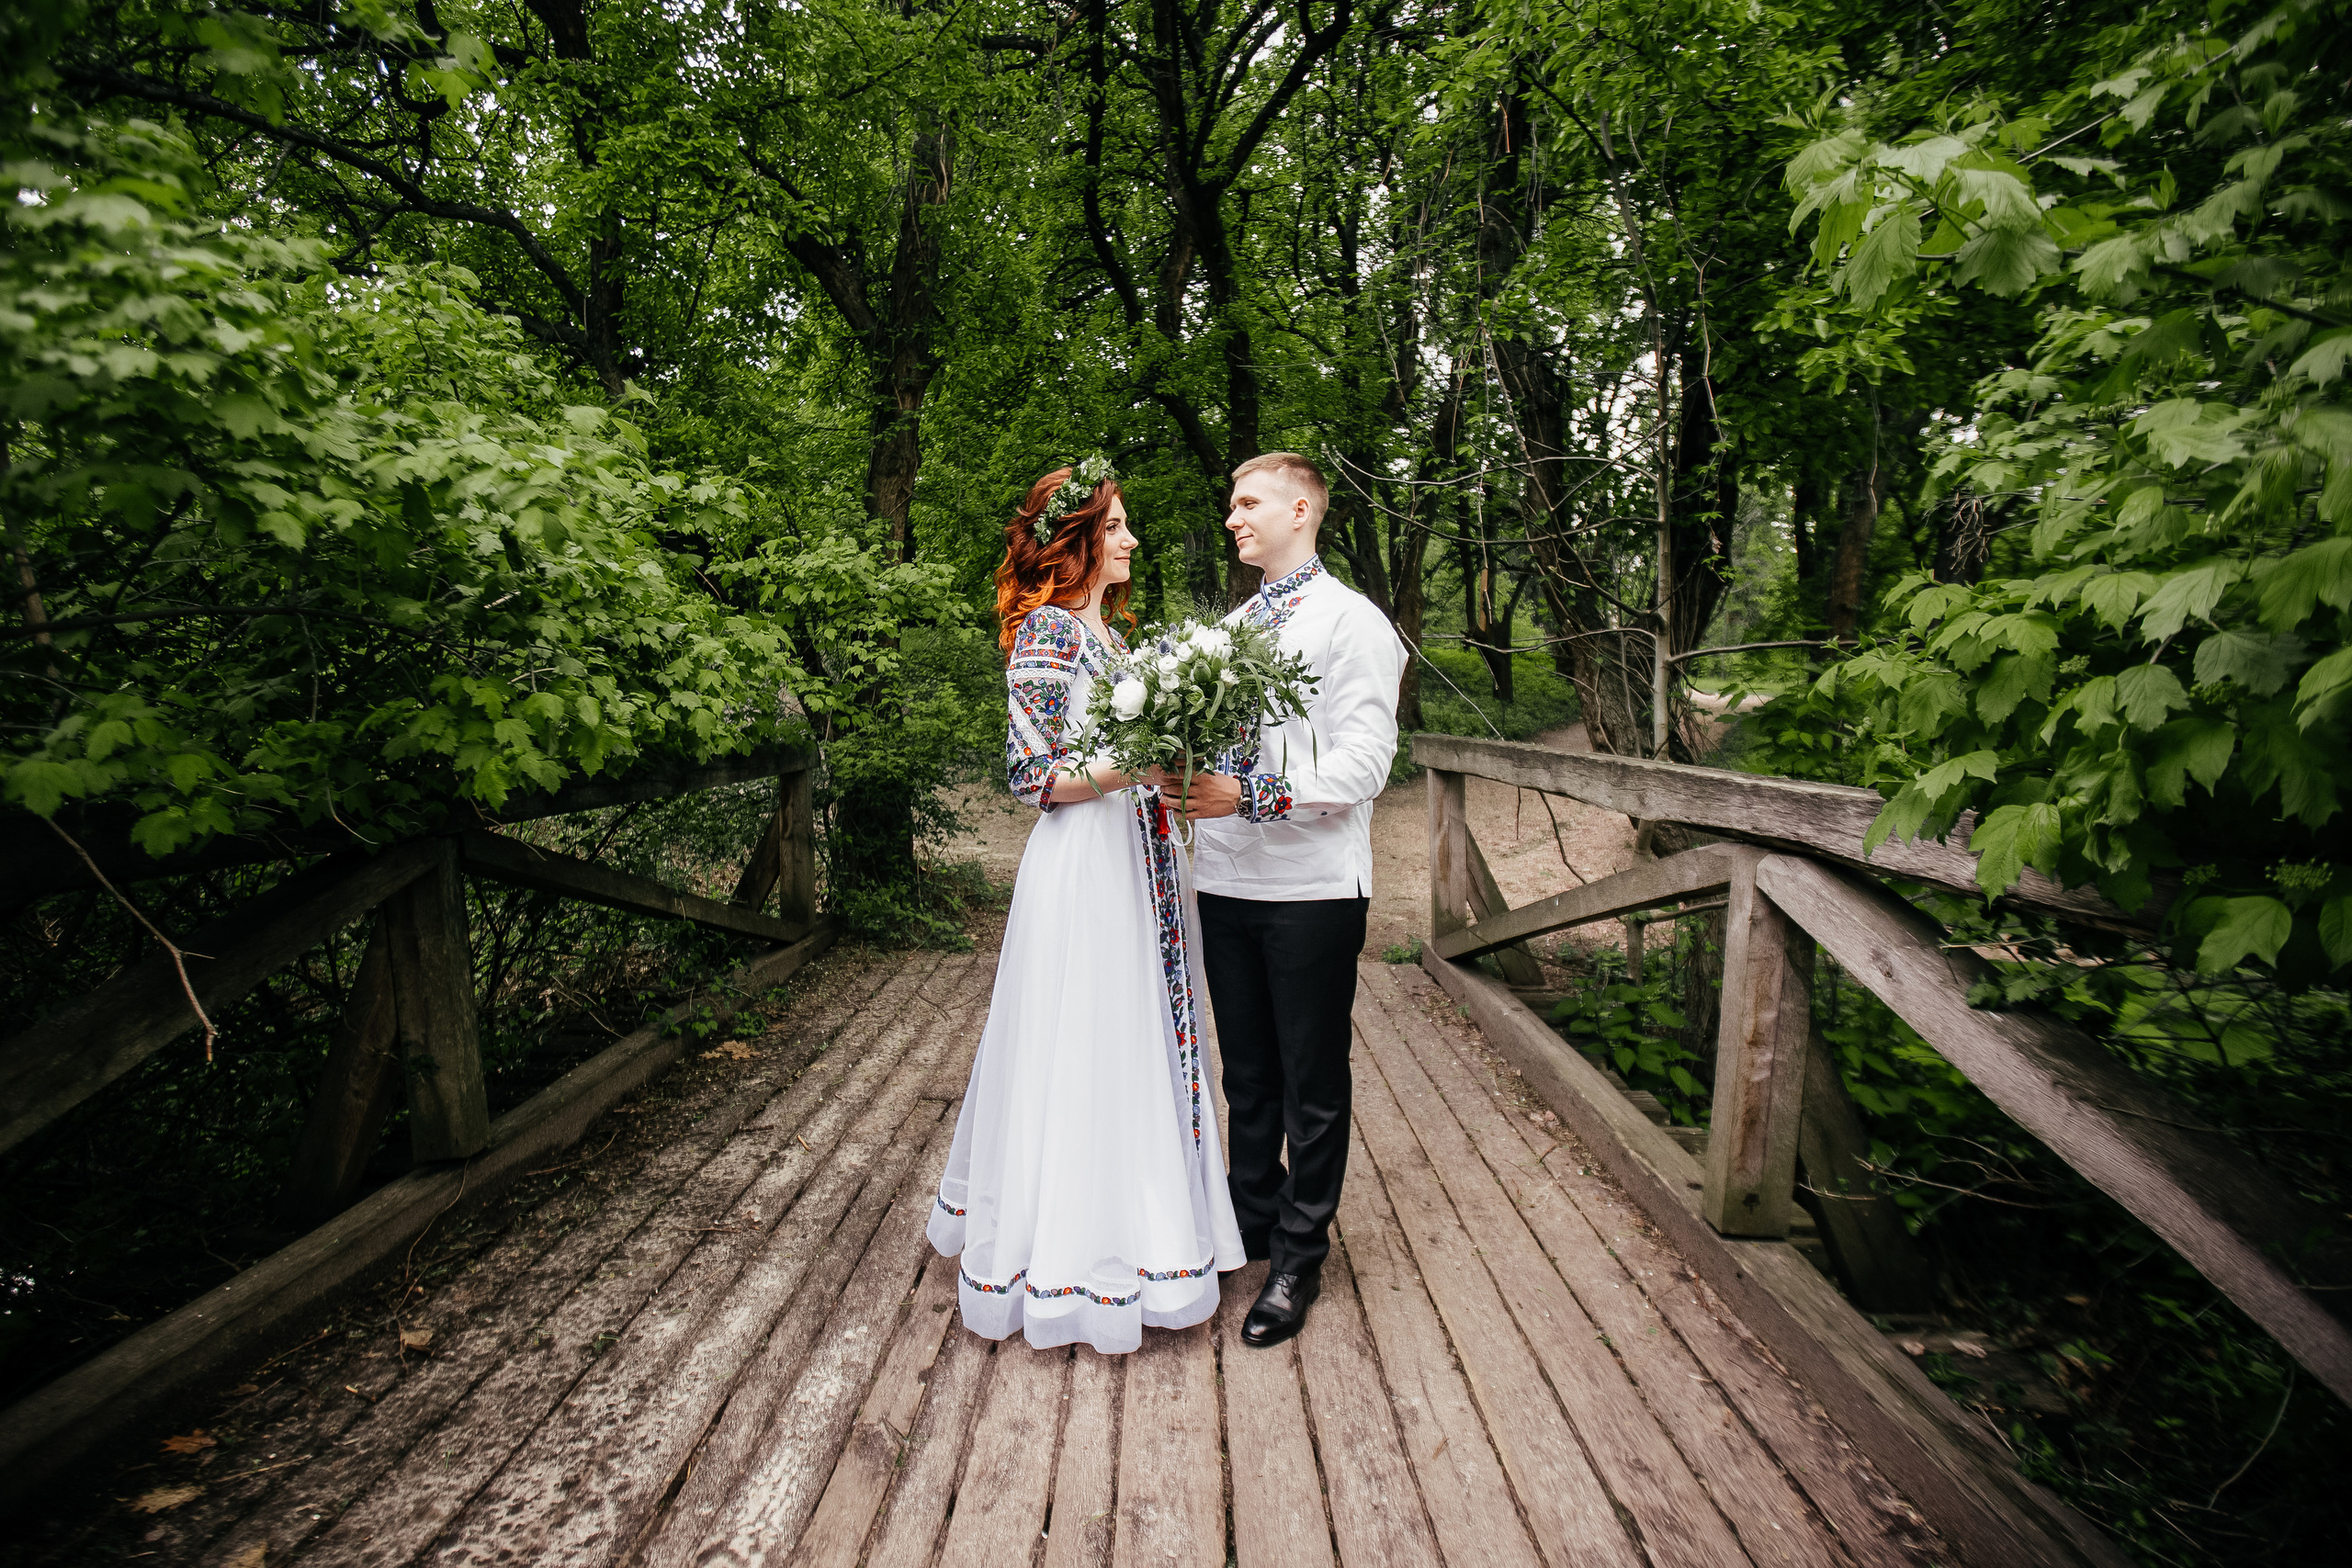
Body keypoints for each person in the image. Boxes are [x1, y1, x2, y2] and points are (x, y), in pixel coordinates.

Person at [927, 458, 1248, 1354]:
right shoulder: (1046, 636)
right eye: (1115, 529)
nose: (1131, 541)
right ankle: (1075, 1260)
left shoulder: (1116, 644)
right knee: (1084, 1042)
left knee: (1134, 1041)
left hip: (1139, 858)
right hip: (1083, 866)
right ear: (1073, 543)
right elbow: (1032, 776)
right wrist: (1131, 770)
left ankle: (1144, 1233)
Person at [1177, 452, 1407, 1348]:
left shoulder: (1353, 623)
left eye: (1248, 502)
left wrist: (1253, 797)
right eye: (1229, 503)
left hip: (1311, 889)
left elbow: (1364, 764)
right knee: (1250, 1076)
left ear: (1301, 507)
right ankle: (1253, 1222)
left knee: (1312, 1082)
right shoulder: (1226, 630)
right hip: (1224, 881)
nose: (1233, 517)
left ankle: (1300, 1258)